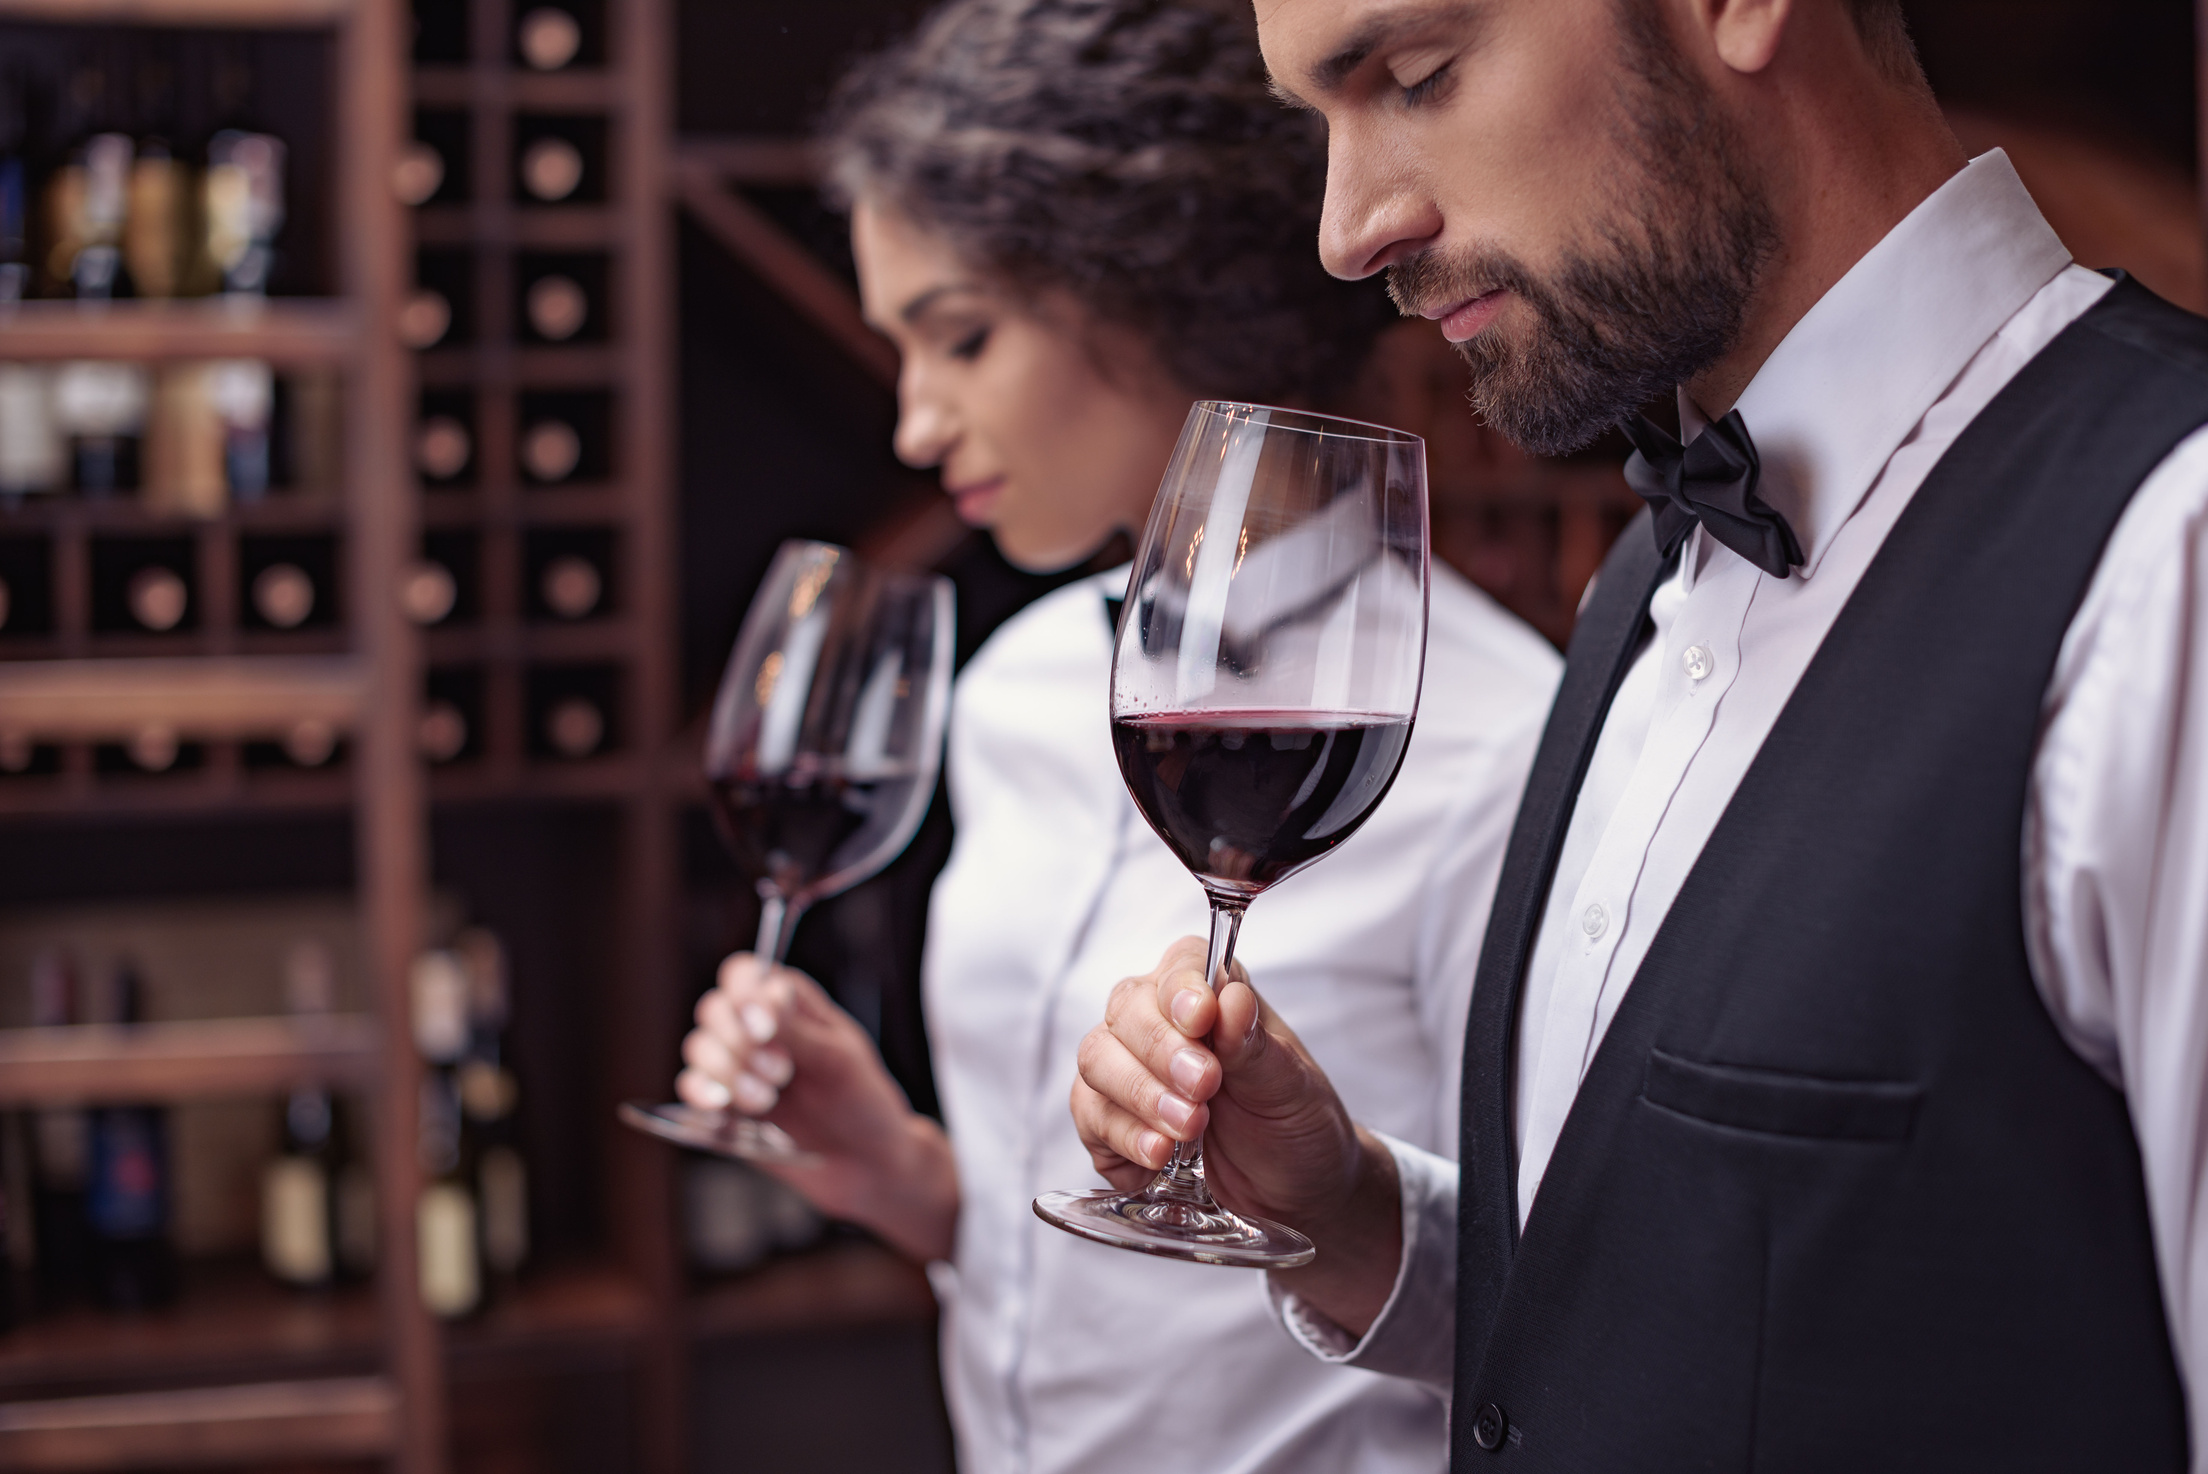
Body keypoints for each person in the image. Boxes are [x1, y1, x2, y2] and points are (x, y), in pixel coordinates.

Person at [1072, 0, 2208, 1468]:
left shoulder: (2172, 560)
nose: (1346, 231)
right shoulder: (1648, 577)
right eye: (1319, 124)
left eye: (1416, 78)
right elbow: (1715, 1323)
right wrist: (1350, 1213)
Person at [672, 3, 1563, 1472]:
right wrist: (903, 1177)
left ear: (1162, 290)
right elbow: (1085, 1262)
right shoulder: (1014, 685)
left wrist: (1331, 1206)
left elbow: (1572, 1326)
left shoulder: (1495, 752)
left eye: (959, 337)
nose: (913, 422)